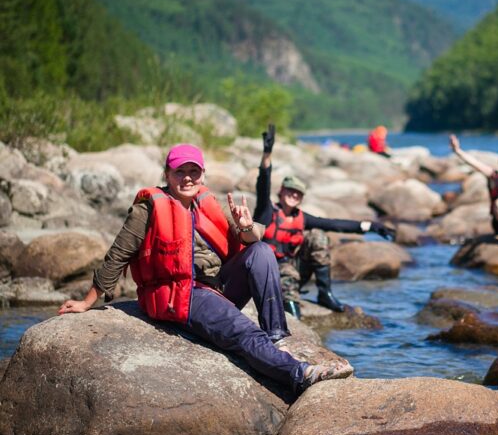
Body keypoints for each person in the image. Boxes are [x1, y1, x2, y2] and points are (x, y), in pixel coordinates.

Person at [57, 143, 343, 394]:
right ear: (167, 175)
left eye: (193, 172)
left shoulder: (205, 202)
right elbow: (117, 256)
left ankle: (277, 337)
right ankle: (299, 374)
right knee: (245, 333)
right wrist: (86, 302)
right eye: (179, 172)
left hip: (215, 287)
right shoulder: (147, 210)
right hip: (180, 294)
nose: (187, 178)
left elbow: (248, 239)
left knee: (262, 251)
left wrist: (246, 226)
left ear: (202, 175)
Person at [255, 126, 395, 319]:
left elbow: (334, 224)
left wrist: (371, 226)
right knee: (287, 274)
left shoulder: (302, 217)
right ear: (281, 192)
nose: (293, 195)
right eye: (289, 191)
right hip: (267, 271)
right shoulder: (266, 211)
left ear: (301, 198)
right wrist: (267, 155)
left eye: (297, 193)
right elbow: (263, 184)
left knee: (318, 236)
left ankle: (325, 294)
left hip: (294, 271)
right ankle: (293, 318)